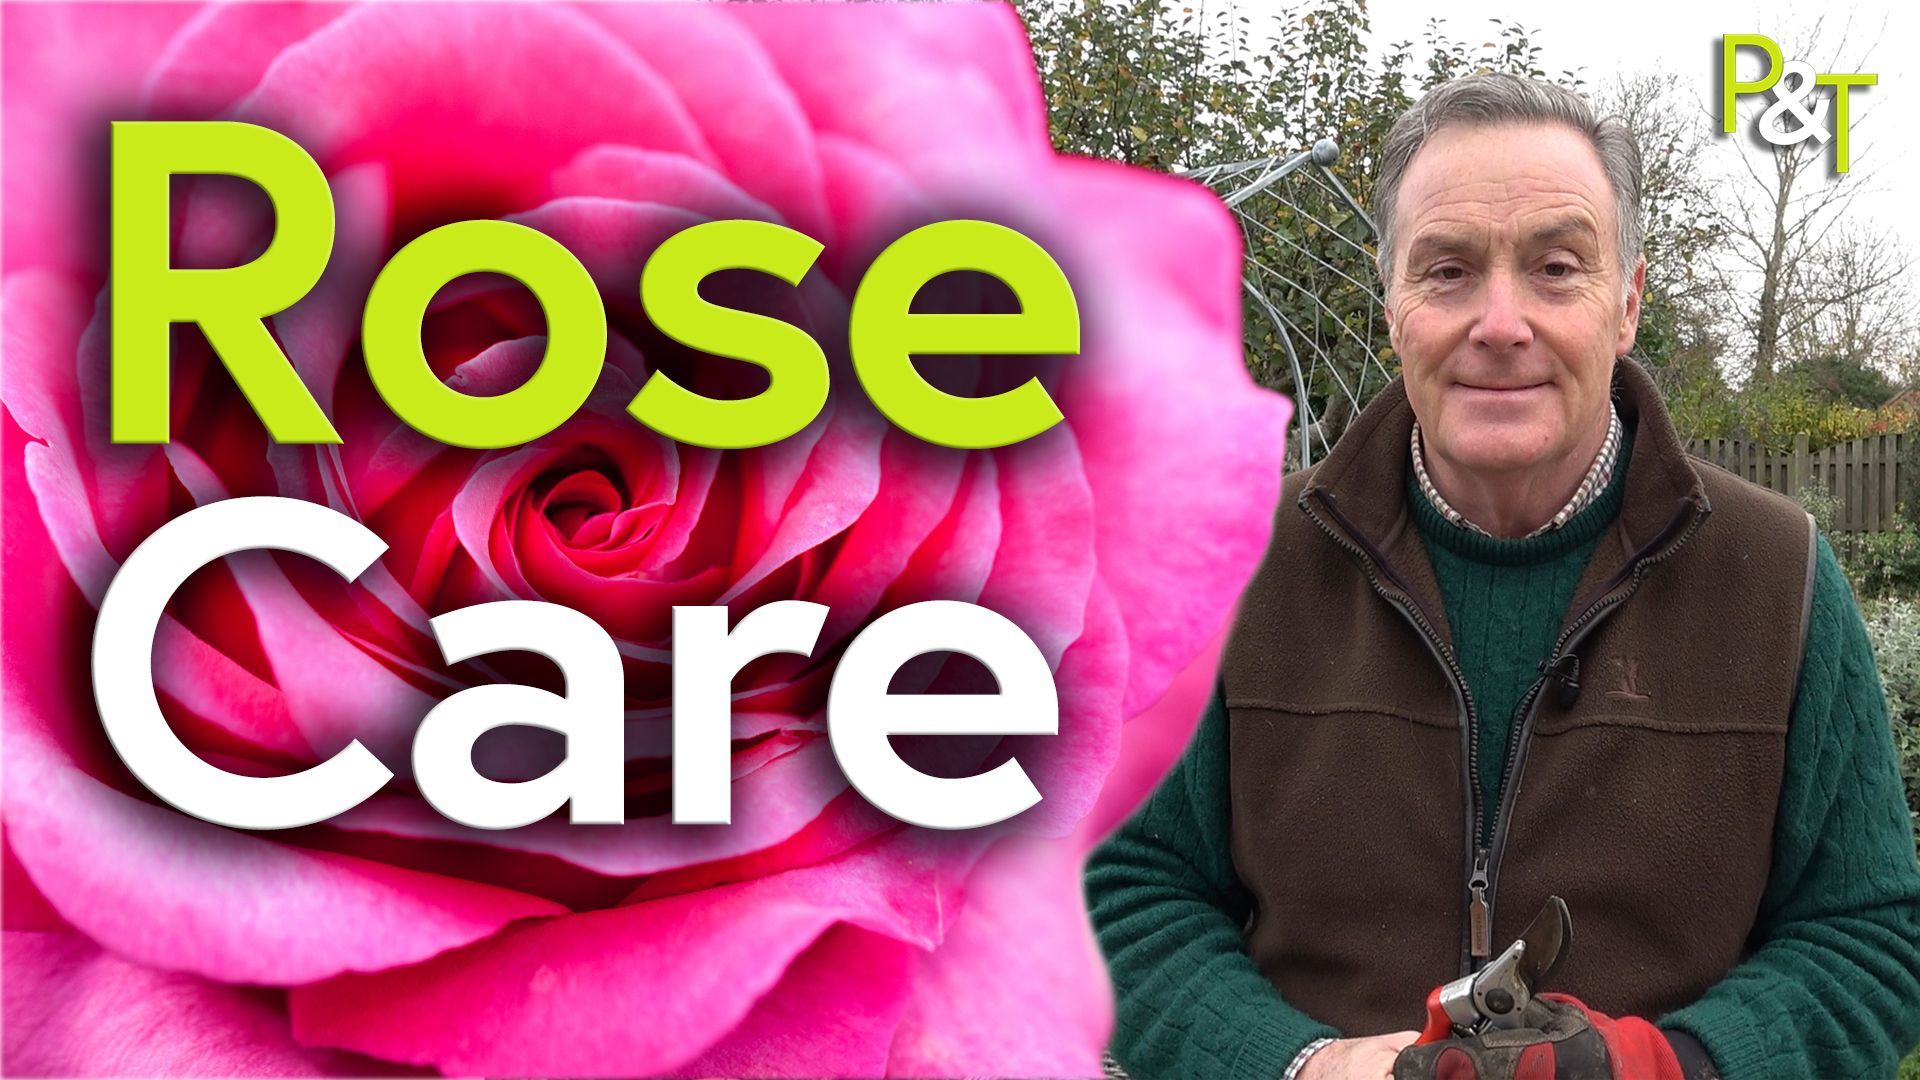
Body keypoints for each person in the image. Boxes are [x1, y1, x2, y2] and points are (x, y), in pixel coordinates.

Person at [1084, 72, 1920, 1080]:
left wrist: (1671, 1065)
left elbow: (1870, 933)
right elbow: (1120, 890)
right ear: (1391, 304)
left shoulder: (1775, 578)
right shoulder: (1233, 564)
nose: (1501, 321)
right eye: (1446, 271)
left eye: (1557, 268)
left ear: (1627, 303)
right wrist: (1298, 1064)